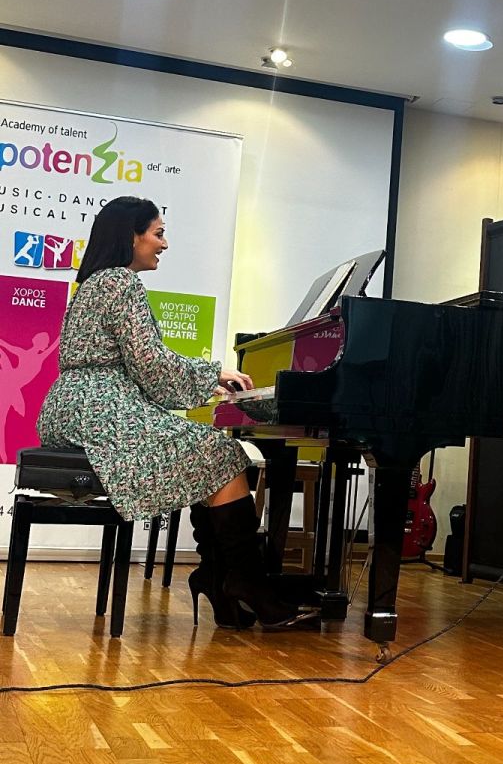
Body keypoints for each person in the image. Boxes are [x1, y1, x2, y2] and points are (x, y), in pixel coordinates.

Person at [37, 196, 312, 631]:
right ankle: (242, 580)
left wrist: (202, 380)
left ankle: (220, 579)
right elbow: (150, 363)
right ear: (131, 236)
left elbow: (141, 365)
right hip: (99, 407)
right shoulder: (120, 282)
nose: (164, 244)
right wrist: (213, 373)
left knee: (213, 453)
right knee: (220, 452)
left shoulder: (92, 282)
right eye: (158, 233)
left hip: (73, 406)